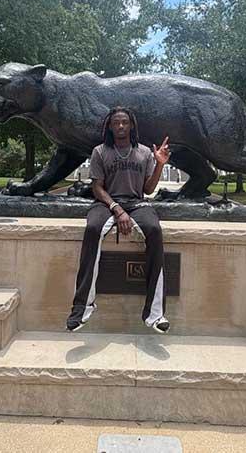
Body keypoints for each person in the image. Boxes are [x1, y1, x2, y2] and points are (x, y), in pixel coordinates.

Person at [67, 106, 172, 333]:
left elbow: (149, 189)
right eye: (116, 122)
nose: (121, 126)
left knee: (154, 230)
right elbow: (97, 187)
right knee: (93, 228)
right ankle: (82, 307)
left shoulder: (144, 152)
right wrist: (116, 208)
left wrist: (160, 164)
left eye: (125, 122)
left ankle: (155, 314)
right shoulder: (100, 151)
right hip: (107, 202)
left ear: (131, 125)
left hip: (136, 203)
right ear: (110, 126)